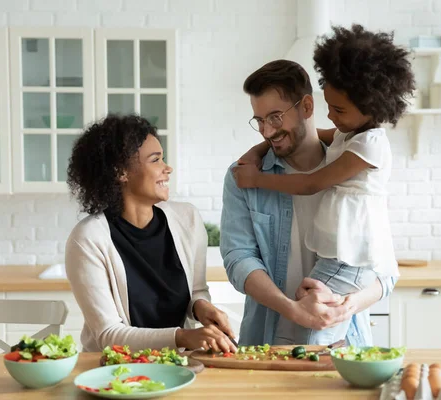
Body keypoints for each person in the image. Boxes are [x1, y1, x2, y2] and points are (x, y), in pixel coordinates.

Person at [232, 25, 414, 345]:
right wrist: (259, 150)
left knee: (317, 346)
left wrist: (345, 307)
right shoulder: (348, 137)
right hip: (266, 340)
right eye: (259, 121)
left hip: (346, 315)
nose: (265, 130)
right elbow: (238, 259)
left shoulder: (359, 154)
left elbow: (386, 272)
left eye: (275, 117)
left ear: (305, 107)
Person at [65, 114, 236, 353]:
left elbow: (196, 290)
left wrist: (202, 308)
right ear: (120, 172)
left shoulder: (187, 220)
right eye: (155, 160)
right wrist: (184, 337)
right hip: (113, 372)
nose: (168, 168)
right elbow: (108, 335)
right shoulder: (88, 239)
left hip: (180, 365)